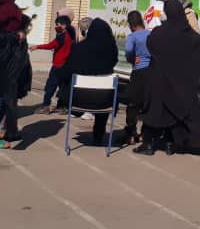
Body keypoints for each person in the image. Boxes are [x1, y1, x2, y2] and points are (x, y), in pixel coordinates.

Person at [136, 0, 200, 156]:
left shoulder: (159, 33)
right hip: (181, 85)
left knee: (155, 112)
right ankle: (170, 144)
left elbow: (151, 44)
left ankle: (148, 144)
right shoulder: (192, 37)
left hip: (160, 82)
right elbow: (198, 53)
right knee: (173, 114)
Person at [67, 18, 120, 146]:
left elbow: (70, 67)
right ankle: (98, 134)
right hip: (104, 99)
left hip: (79, 98)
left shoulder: (79, 48)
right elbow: (113, 62)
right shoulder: (111, 49)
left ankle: (77, 112)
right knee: (108, 94)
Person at [0, 13, 31, 149]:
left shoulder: (14, 40)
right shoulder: (10, 41)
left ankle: (0, 132)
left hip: (9, 78)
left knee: (6, 103)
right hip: (4, 77)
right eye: (25, 29)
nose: (26, 31)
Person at [31, 15, 76, 114]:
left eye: (58, 25)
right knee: (63, 87)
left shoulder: (62, 37)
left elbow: (51, 45)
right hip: (65, 66)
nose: (56, 27)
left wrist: (37, 46)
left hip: (58, 66)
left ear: (64, 25)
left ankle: (45, 106)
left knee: (50, 87)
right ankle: (62, 107)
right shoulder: (70, 35)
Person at [123, 10, 151, 144]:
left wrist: (132, 59)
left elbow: (128, 51)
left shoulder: (132, 36)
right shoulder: (150, 34)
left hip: (138, 71)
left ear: (131, 24)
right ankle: (144, 134)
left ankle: (131, 133)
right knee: (147, 104)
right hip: (150, 71)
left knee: (133, 104)